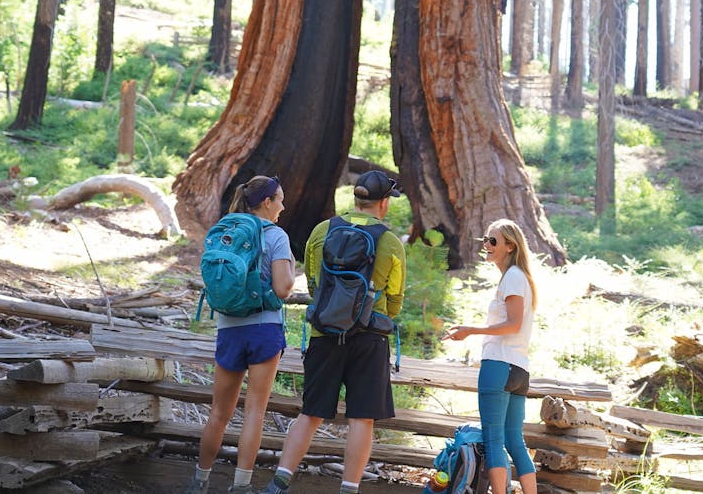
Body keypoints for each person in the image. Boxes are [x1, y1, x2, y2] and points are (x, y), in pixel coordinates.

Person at [261, 170, 407, 494]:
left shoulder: (323, 229)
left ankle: (280, 481)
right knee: (361, 418)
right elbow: (395, 301)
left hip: (324, 333)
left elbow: (313, 283)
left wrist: (334, 309)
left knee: (310, 413)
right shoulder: (391, 243)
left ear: (355, 198)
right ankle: (349, 488)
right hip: (369, 338)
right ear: (383, 203)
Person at [185, 175, 296, 494]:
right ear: (266, 202)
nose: (283, 206)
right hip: (264, 329)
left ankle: (200, 480)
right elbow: (282, 288)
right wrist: (290, 267)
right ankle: (241, 486)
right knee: (254, 412)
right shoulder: (276, 236)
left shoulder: (228, 231)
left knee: (219, 412)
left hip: (229, 328)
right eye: (280, 199)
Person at [443, 219, 539, 494]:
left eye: (493, 241)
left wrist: (470, 330)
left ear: (510, 246)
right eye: (485, 239)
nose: (486, 245)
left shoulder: (512, 277)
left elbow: (513, 324)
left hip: (499, 365)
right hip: (519, 370)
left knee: (494, 441)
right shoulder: (520, 277)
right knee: (514, 441)